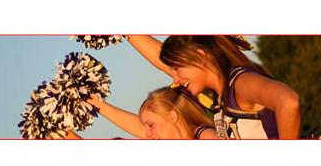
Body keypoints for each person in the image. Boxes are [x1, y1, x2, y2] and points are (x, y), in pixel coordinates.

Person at [125, 35, 301, 139]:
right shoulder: (220, 96)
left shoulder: (240, 82)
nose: (175, 79)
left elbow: (288, 101)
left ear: (200, 56)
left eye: (177, 69)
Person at [87, 86, 218, 139]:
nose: (146, 134)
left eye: (150, 125)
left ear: (172, 116)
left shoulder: (205, 135)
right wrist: (91, 101)